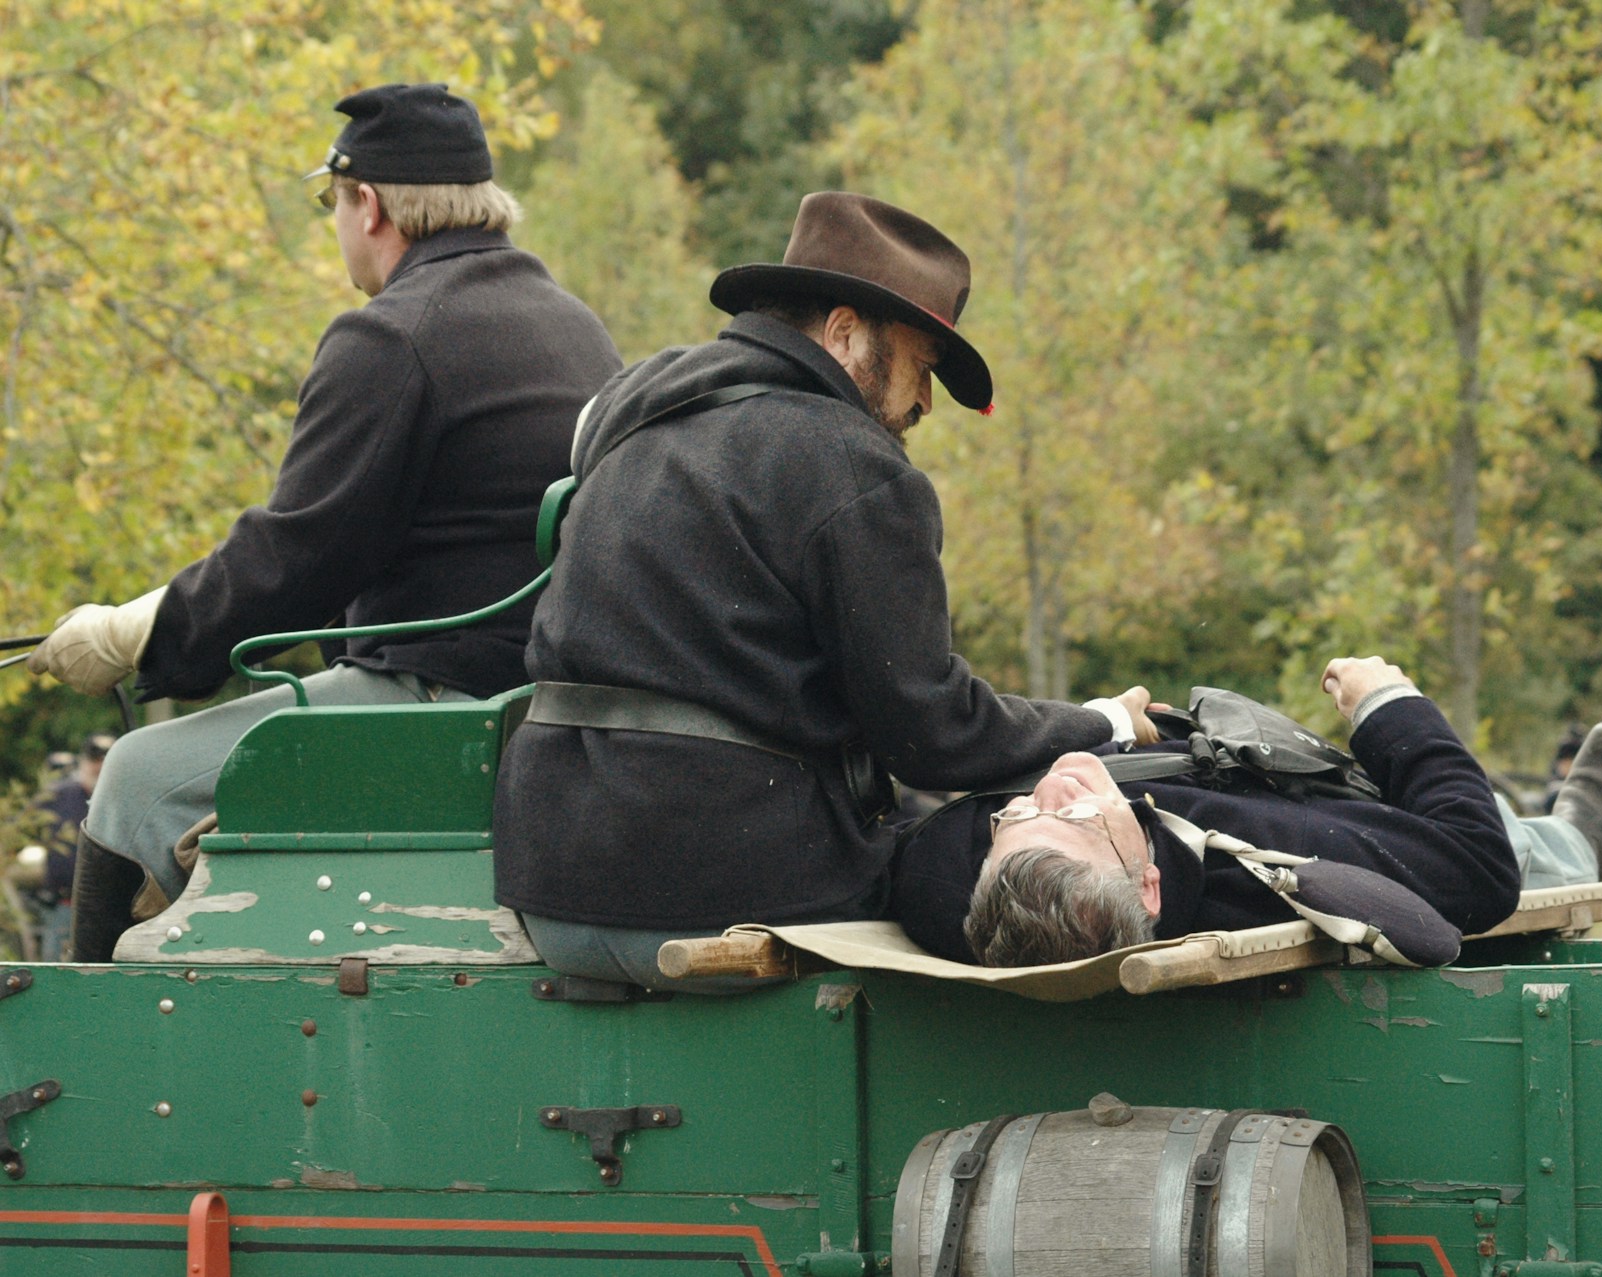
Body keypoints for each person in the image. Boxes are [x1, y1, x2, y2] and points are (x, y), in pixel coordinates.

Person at [492, 192, 1155, 989]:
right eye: (920, 367)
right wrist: (1102, 721)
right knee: (970, 870)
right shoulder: (854, 463)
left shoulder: (639, 408)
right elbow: (929, 730)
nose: (922, 404)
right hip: (717, 894)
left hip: (551, 881)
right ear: (844, 335)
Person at [29, 83, 621, 959]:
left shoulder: (392, 335)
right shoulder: (576, 327)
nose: (335, 222)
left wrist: (138, 632)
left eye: (329, 202)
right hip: (547, 704)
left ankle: (89, 1063)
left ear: (369, 204)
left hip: (436, 707)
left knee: (133, 782)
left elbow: (294, 555)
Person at [892, 657, 1602, 967]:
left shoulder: (953, 879)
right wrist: (1387, 704)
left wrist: (1102, 727)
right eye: (1085, 817)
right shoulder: (1258, 868)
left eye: (1014, 815)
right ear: (1149, 888)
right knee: (1509, 841)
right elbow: (1476, 875)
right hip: (1360, 814)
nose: (1056, 784)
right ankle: (1567, 841)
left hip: (1172, 753)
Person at [25, 733, 115, 960]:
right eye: (95, 759)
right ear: (84, 761)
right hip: (65, 905)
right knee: (58, 970)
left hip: (111, 906)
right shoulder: (58, 795)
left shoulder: (121, 798)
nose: (100, 765)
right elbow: (22, 828)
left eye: (107, 759)